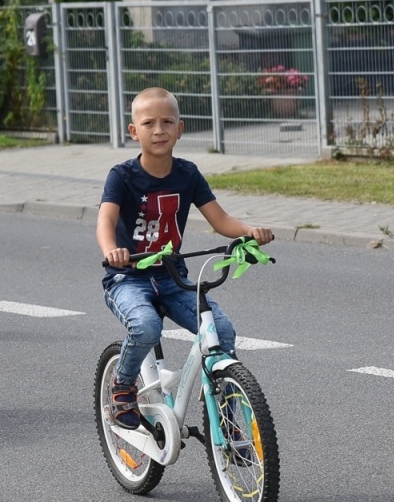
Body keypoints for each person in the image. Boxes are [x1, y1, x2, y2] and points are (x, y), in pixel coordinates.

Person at [96, 87, 274, 429]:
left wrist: (249, 231)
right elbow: (105, 220)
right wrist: (111, 251)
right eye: (149, 123)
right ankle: (122, 385)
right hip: (128, 277)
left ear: (181, 128)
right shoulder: (122, 177)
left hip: (171, 277)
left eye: (167, 122)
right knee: (145, 327)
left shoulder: (188, 174)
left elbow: (220, 220)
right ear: (134, 132)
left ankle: (226, 415)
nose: (159, 130)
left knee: (220, 330)